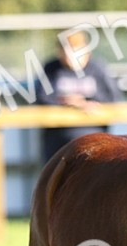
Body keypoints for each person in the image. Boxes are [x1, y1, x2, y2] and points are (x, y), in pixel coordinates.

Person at [37, 30, 122, 163]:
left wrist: (87, 103)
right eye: (67, 52)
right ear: (59, 52)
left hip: (95, 138)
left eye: (76, 52)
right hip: (59, 141)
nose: (71, 57)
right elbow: (42, 98)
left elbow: (113, 98)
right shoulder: (51, 68)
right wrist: (67, 102)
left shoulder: (97, 68)